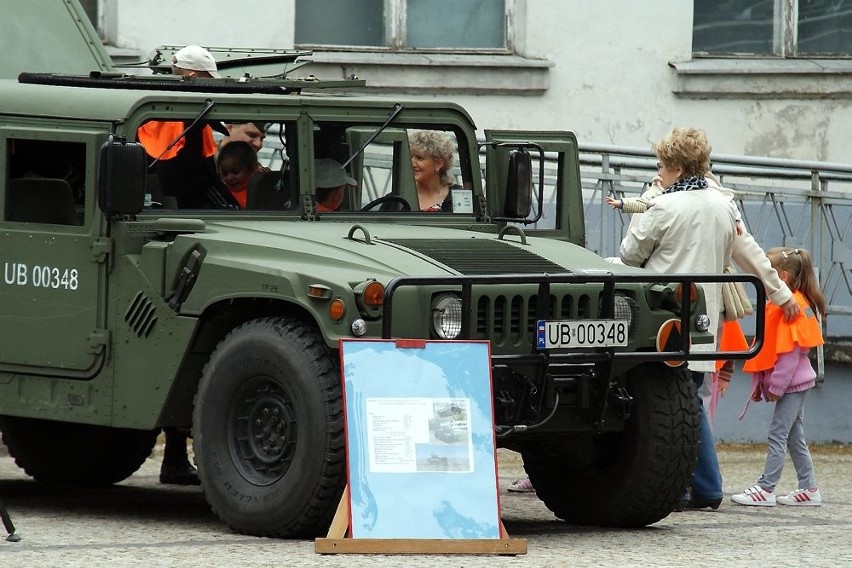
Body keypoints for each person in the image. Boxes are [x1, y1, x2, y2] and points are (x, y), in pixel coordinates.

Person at [618, 127, 738, 511]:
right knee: (691, 397)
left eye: (661, 166)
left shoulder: (665, 206)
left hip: (664, 314)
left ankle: (701, 486)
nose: (658, 173)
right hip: (704, 316)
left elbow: (630, 255)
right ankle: (700, 485)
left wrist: (647, 203)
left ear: (674, 166)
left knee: (673, 402)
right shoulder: (723, 205)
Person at [731, 247, 825, 507]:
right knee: (794, 436)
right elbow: (776, 353)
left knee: (777, 434)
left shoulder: (790, 307)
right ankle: (809, 488)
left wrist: (774, 387)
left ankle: (766, 488)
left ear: (781, 277)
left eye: (766, 273)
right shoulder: (787, 303)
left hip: (792, 385)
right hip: (796, 383)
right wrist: (763, 384)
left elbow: (789, 356)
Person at [137, 45, 237, 209]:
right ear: (192, 76)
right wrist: (233, 209)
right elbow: (205, 177)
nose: (214, 86)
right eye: (209, 79)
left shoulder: (149, 110)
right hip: (188, 203)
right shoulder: (193, 119)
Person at [408, 130, 462, 212]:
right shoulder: (397, 199)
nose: (412, 163)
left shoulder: (459, 197)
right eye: (410, 157)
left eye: (420, 158)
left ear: (438, 163)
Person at [217, 141, 260, 208]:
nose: (229, 178)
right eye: (225, 173)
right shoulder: (220, 195)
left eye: (235, 172)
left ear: (253, 168)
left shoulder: (258, 193)